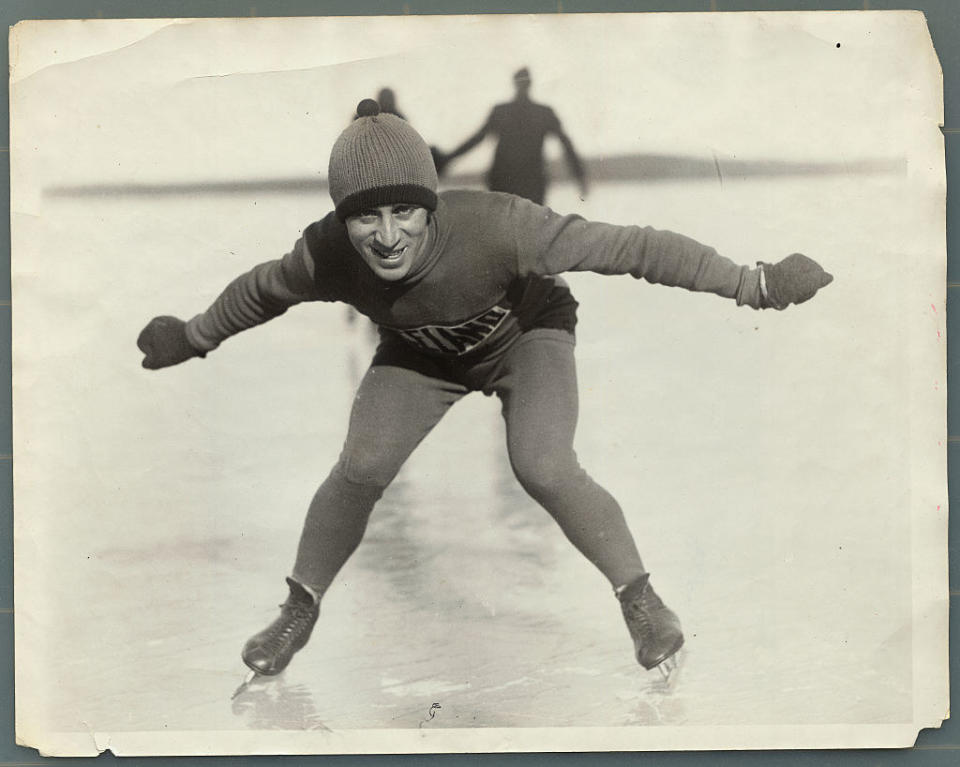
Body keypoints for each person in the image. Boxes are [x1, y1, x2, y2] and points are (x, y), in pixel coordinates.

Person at [137, 99, 833, 681]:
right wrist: (193, 336)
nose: (385, 237)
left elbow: (631, 247)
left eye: (405, 213)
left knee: (544, 463)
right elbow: (262, 289)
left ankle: (643, 600)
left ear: (431, 205)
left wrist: (753, 283)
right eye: (365, 218)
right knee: (360, 468)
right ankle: (298, 609)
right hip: (422, 354)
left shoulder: (498, 227)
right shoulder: (323, 252)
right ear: (341, 218)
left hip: (526, 338)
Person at [434, 67, 588, 204]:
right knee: (530, 230)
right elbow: (566, 145)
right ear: (529, 84)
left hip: (504, 182)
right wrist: (580, 177)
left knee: (502, 231)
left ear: (515, 83)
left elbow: (477, 139)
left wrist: (447, 159)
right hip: (529, 184)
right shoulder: (543, 113)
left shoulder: (502, 111)